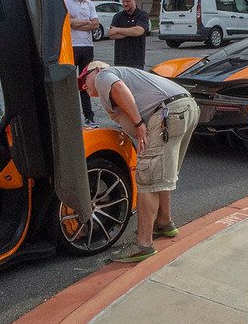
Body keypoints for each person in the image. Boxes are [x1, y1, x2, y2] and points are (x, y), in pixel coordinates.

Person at [79, 60, 198, 263]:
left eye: (83, 79)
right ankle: (163, 222)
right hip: (185, 108)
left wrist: (138, 123)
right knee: (162, 174)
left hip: (165, 114)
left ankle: (143, 245)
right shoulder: (129, 75)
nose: (83, 86)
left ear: (96, 69)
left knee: (147, 180)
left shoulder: (103, 76)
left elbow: (118, 87)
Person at [65, 0, 100, 121]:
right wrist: (85, 22)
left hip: (87, 46)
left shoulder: (90, 4)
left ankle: (88, 115)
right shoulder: (67, 2)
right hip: (72, 45)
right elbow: (67, 23)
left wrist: (76, 22)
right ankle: (69, 115)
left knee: (86, 81)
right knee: (68, 82)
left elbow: (95, 24)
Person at [105, 0, 150, 69]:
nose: (125, 4)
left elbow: (139, 31)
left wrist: (118, 30)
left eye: (128, 1)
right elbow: (111, 34)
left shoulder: (142, 15)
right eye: (123, 1)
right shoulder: (118, 16)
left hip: (136, 61)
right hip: (120, 60)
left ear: (134, 0)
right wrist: (131, 32)